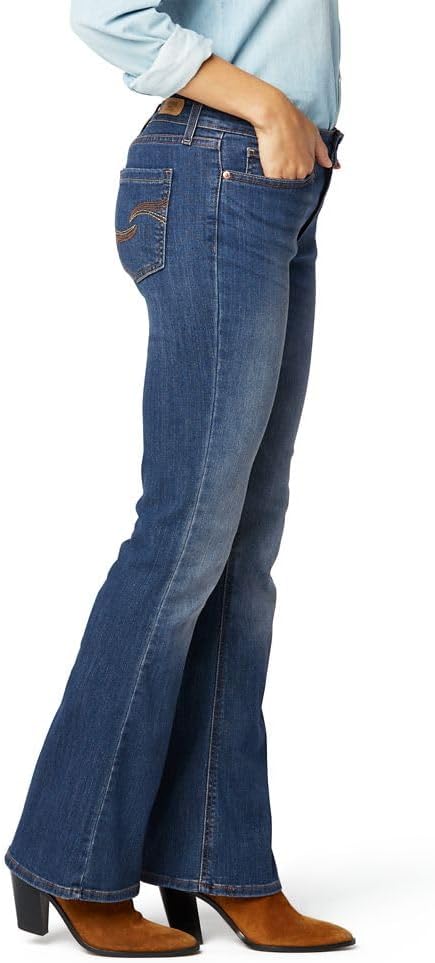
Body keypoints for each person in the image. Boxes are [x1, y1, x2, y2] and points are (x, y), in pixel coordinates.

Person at [6, 1, 354, 956]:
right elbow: (106, 13)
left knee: (241, 551)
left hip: (279, 181)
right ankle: (69, 853)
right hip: (218, 167)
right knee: (184, 535)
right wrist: (265, 105)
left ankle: (219, 856)